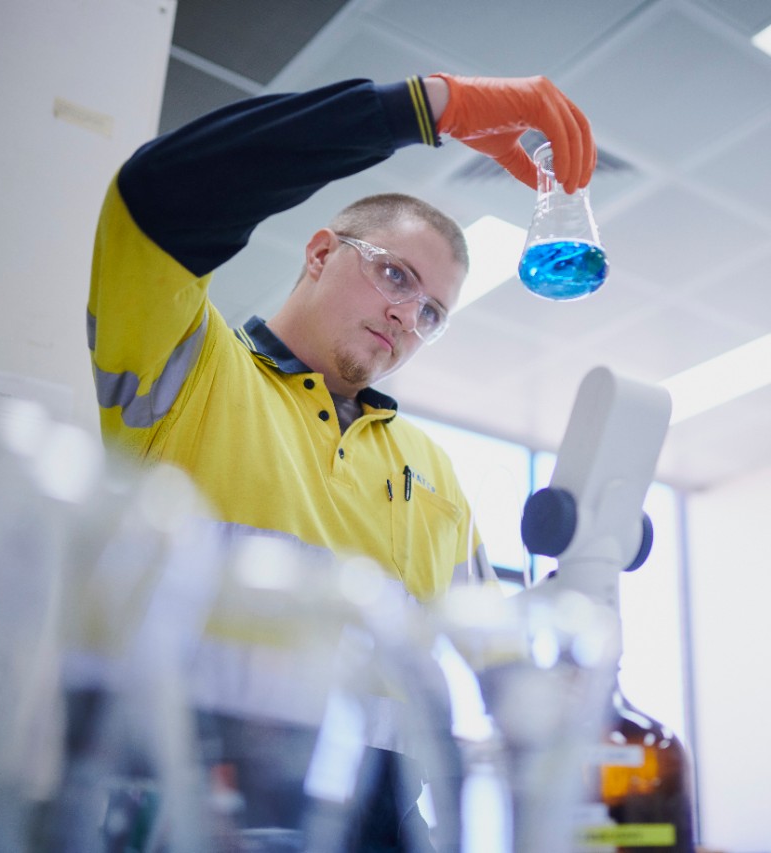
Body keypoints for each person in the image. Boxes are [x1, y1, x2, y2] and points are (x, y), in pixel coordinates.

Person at [87, 73, 596, 850]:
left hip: (380, 814)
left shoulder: (434, 472)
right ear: (321, 252)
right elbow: (161, 194)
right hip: (190, 797)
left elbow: (494, 663)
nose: (407, 315)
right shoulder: (188, 367)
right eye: (396, 275)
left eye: (432, 312)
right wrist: (421, 106)